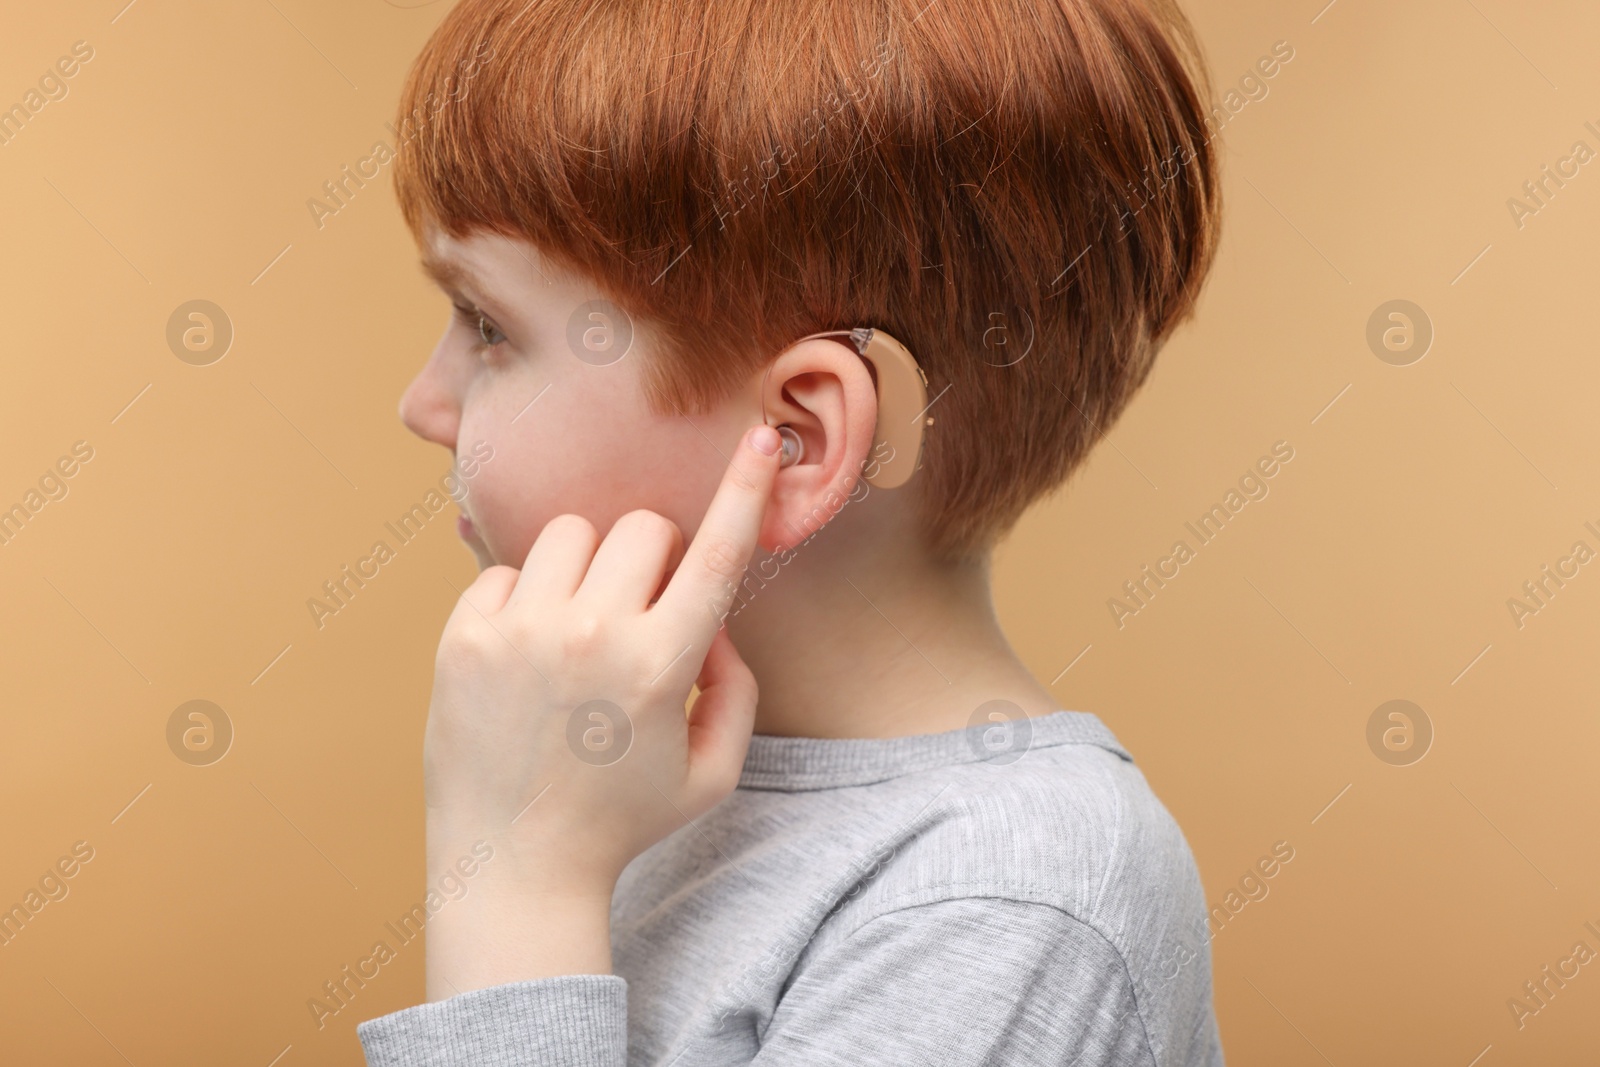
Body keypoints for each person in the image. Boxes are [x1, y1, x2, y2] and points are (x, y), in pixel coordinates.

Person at [356, 0, 1224, 1063]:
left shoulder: (1011, 894)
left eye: (488, 326)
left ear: (796, 438)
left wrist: (512, 882)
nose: (422, 402)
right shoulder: (633, 786)